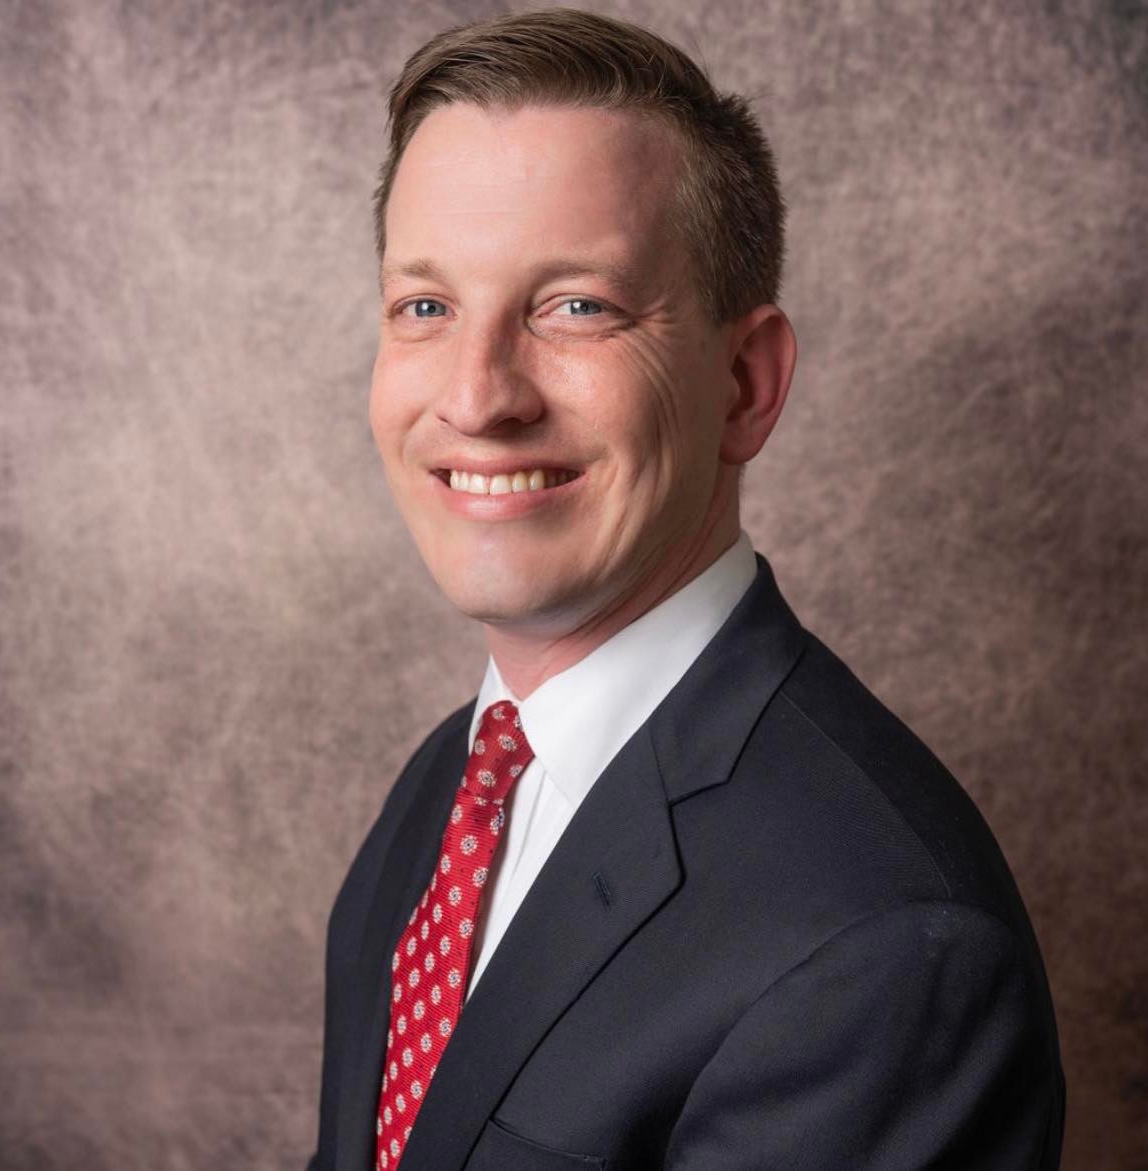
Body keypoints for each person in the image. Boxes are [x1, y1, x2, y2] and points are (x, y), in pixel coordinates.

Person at [308, 10, 1065, 1170]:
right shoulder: (451, 790)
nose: (477, 395)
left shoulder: (889, 949)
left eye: (576, 306)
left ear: (745, 386)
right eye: (426, 306)